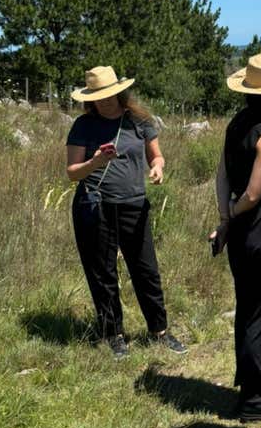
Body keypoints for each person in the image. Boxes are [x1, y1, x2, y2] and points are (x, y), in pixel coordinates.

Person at [66, 66, 186, 359]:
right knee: (103, 272)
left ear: (120, 92)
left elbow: (156, 155)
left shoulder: (138, 121)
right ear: (89, 99)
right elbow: (72, 173)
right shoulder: (83, 125)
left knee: (146, 270)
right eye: (98, 97)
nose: (105, 101)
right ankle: (113, 334)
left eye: (109, 95)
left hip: (134, 204)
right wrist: (95, 162)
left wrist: (157, 167)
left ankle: (159, 331)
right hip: (95, 206)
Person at [209, 53, 261, 421]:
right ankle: (255, 399)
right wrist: (238, 210)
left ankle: (252, 383)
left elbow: (222, 177)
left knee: (249, 306)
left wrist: (226, 218)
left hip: (244, 228)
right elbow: (255, 191)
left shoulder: (237, 123)